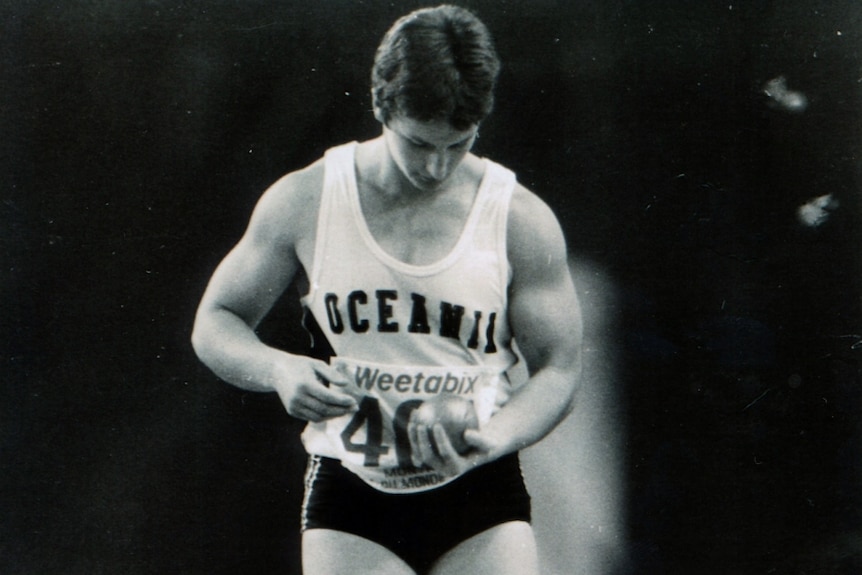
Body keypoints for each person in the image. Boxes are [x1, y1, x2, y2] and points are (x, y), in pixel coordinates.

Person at [192, 5, 582, 574]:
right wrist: (279, 369)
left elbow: (560, 369)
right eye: (419, 144)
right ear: (382, 107)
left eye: (459, 143)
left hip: (477, 489)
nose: (437, 166)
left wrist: (495, 437)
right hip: (354, 491)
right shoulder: (307, 199)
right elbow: (216, 320)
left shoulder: (518, 218)